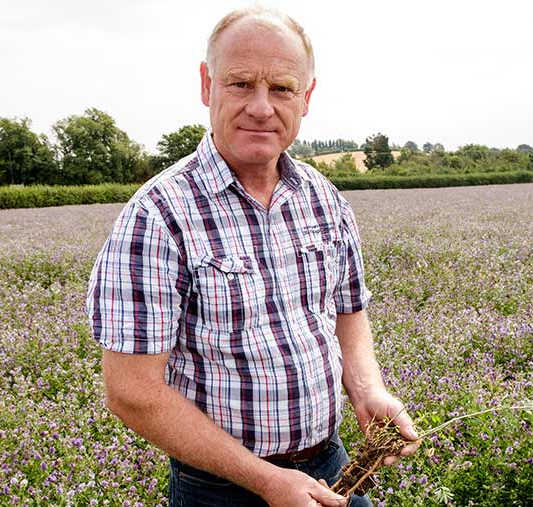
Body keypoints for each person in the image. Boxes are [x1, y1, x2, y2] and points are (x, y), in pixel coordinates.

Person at [86, 6, 418, 507]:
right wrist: (265, 479)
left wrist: (368, 390)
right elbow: (132, 391)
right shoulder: (158, 216)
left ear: (306, 98)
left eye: (282, 88)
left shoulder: (323, 198)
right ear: (207, 85)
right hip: (221, 488)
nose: (262, 107)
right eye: (241, 84)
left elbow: (349, 310)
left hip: (333, 465)